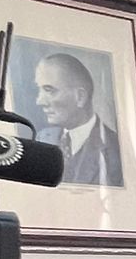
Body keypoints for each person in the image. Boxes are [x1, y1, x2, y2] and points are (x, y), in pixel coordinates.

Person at [32, 52, 123, 187]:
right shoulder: (43, 138)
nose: (39, 101)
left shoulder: (115, 150)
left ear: (80, 97)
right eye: (40, 90)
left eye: (49, 90)